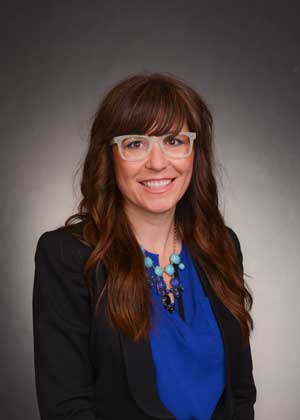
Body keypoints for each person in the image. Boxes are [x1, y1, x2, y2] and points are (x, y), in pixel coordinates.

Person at [33, 72, 256, 420]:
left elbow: (240, 394)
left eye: (174, 141)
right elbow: (67, 406)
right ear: (109, 155)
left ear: (195, 153)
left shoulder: (221, 246)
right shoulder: (68, 256)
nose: (157, 162)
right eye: (135, 143)